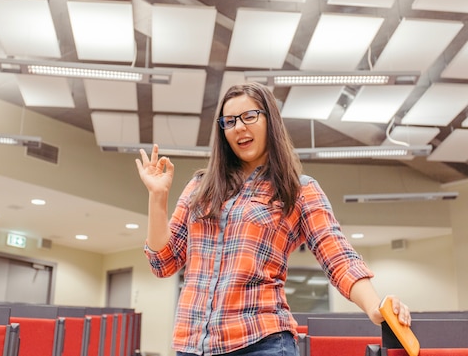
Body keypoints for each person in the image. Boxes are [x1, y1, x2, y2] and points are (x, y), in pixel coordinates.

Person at [135, 82, 411, 356]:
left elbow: (339, 257)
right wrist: (157, 197)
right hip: (191, 345)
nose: (239, 127)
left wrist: (375, 306)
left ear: (270, 120)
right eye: (229, 121)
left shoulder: (298, 190)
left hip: (260, 342)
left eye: (249, 116)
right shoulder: (200, 186)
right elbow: (164, 262)